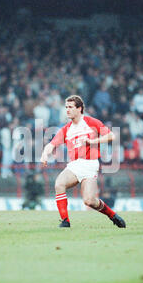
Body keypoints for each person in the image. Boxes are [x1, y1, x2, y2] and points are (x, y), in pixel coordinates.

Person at [40, 95, 126, 228]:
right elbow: (51, 144)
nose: (67, 110)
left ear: (79, 108)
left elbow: (111, 136)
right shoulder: (66, 129)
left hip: (90, 164)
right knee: (59, 184)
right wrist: (45, 154)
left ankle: (112, 215)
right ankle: (65, 221)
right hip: (74, 165)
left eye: (70, 107)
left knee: (89, 201)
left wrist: (93, 141)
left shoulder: (91, 122)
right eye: (66, 107)